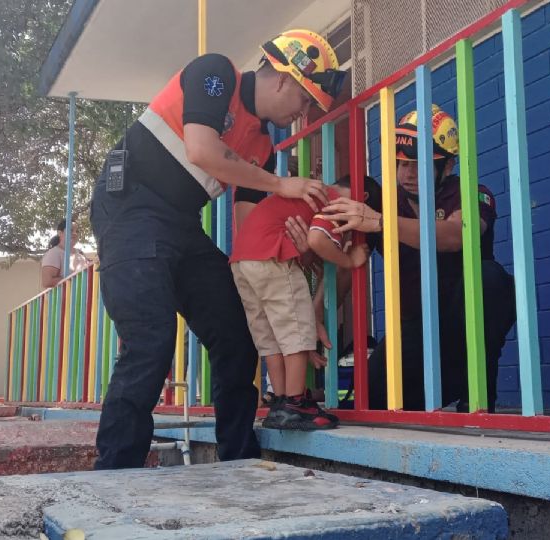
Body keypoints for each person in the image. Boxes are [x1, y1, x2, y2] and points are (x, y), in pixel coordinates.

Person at [90, 29, 347, 469]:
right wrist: (282, 184)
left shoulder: (263, 148)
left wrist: (298, 254)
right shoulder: (216, 74)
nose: (304, 113)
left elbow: (249, 235)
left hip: (182, 226)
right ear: (284, 79)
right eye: (306, 101)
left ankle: (239, 462)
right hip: (131, 209)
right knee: (151, 340)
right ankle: (114, 472)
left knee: (236, 334)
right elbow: (202, 149)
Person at [322, 105, 516, 412]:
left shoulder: (470, 192)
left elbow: (457, 235)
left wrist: (383, 222)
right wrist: (312, 320)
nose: (407, 173)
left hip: (461, 323)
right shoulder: (387, 202)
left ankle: (477, 401)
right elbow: (347, 267)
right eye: (401, 163)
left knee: (489, 278)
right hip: (414, 326)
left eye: (419, 164)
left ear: (448, 166)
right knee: (369, 402)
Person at [230, 177, 368, 430]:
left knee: (270, 336)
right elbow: (317, 240)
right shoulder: (336, 201)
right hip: (270, 256)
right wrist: (348, 260)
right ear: (362, 199)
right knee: (297, 327)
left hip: (241, 261)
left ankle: (281, 403)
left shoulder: (312, 197)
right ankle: (295, 404)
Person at [41, 219, 90, 288]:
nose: (75, 233)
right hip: (65, 297)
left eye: (77, 231)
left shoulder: (80, 254)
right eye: (71, 230)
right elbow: (47, 282)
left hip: (84, 297)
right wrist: (76, 280)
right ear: (60, 233)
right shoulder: (54, 253)